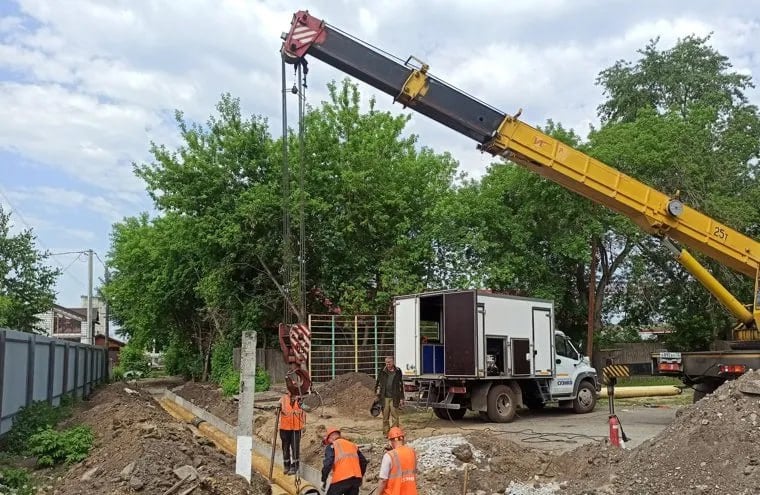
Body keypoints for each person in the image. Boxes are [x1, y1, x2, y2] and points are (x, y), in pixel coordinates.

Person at [321, 427, 368, 495]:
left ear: (331, 437)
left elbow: (328, 463)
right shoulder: (352, 445)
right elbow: (363, 462)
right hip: (356, 480)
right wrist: (360, 476)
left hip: (341, 479)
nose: (328, 443)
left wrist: (323, 480)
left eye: (328, 441)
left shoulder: (332, 445)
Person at [378, 426, 418, 495]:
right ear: (402, 439)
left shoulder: (389, 455)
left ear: (390, 441)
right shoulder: (412, 452)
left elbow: (383, 480)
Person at [375, 356, 404, 435]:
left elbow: (401, 385)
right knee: (385, 416)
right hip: (384, 397)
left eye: (389, 363)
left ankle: (395, 433)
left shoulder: (398, 371)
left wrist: (402, 398)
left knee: (395, 416)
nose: (388, 364)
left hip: (395, 397)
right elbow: (378, 382)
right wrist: (377, 394)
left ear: (393, 362)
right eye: (386, 363)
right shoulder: (382, 371)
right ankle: (386, 433)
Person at [278, 390, 305, 475]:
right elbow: (277, 412)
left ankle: (294, 466)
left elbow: (305, 411)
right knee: (285, 447)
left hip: (296, 428)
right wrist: (277, 409)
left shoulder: (299, 400)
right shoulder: (283, 399)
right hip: (284, 428)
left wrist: (304, 425)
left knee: (295, 448)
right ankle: (286, 465)